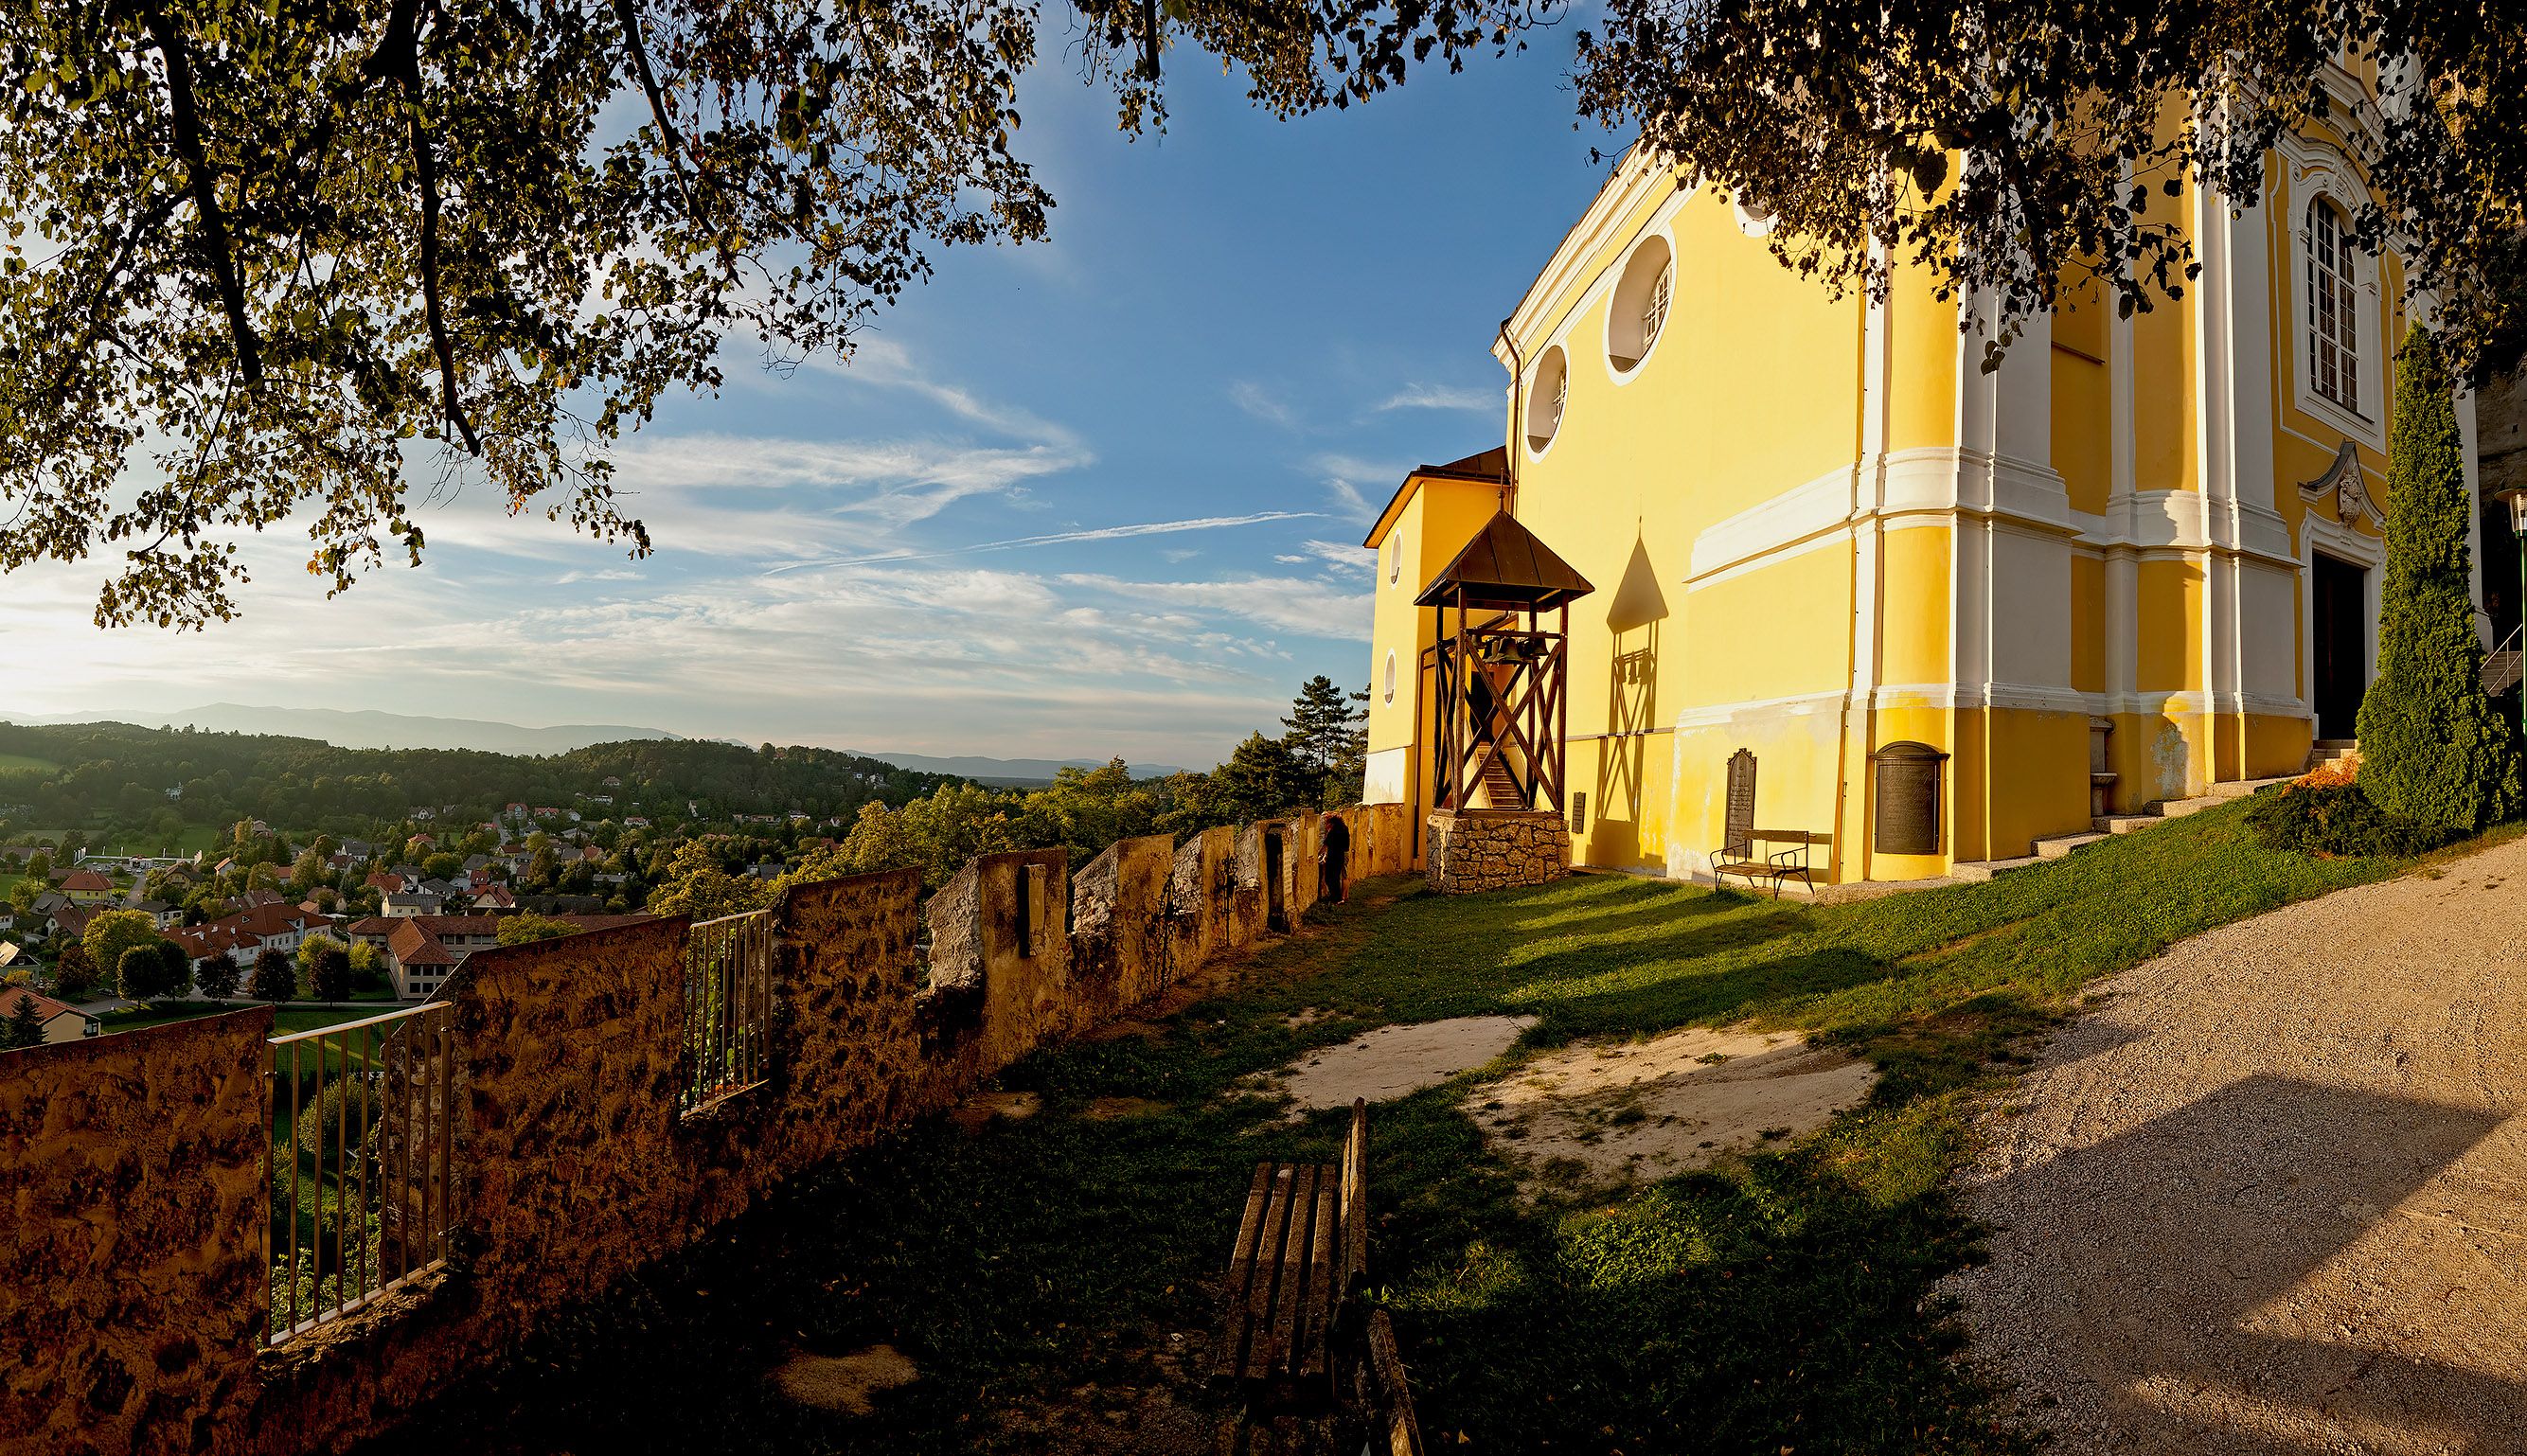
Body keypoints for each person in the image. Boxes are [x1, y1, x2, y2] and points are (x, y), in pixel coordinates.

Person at [1317, 812, 1350, 904]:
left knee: (1329, 878)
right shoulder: (1345, 828)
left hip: (1333, 856)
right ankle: (1339, 897)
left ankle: (1336, 898)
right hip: (1341, 855)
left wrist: (1318, 855)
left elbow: (1325, 845)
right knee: (1336, 877)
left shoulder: (1333, 831)